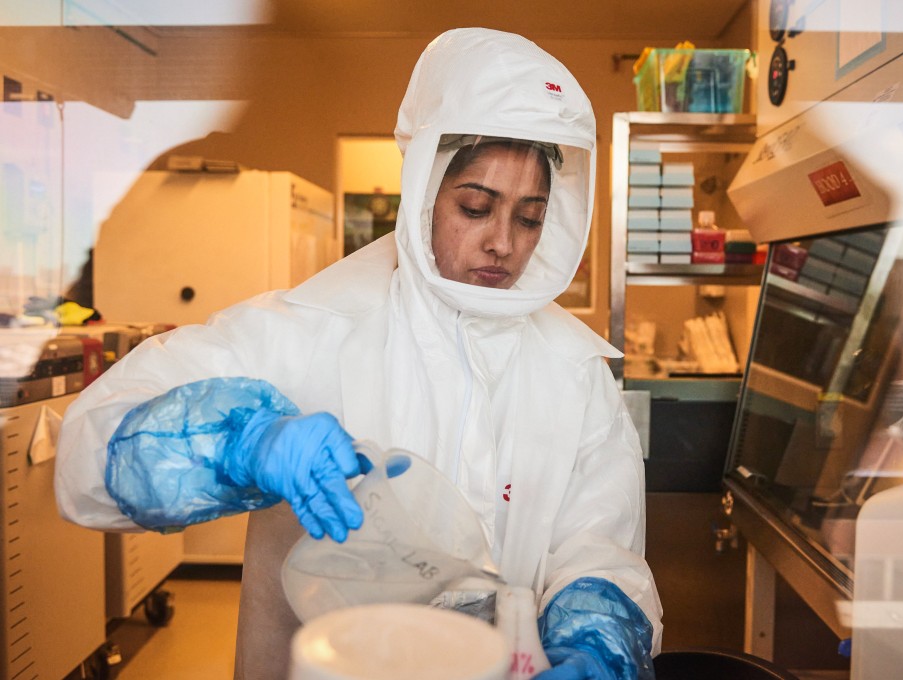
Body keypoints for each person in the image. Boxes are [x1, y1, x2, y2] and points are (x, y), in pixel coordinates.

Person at [55, 27, 662, 679]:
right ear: (426, 192)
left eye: (529, 217)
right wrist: (241, 443)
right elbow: (86, 457)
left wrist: (595, 641)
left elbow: (600, 545)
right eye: (476, 206)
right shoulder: (309, 329)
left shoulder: (573, 371)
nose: (502, 243)